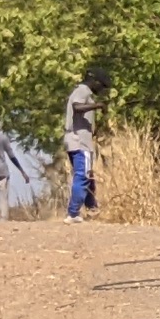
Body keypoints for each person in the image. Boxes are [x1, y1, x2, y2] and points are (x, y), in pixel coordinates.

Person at [61, 76, 98, 221]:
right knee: (83, 175)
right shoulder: (84, 90)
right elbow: (77, 107)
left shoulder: (81, 91)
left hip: (74, 141)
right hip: (81, 142)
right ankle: (73, 213)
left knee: (88, 176)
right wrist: (98, 106)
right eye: (102, 86)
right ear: (96, 82)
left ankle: (92, 207)